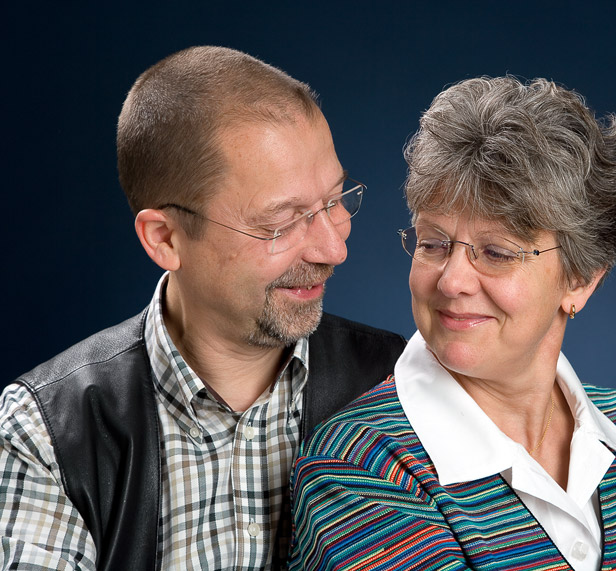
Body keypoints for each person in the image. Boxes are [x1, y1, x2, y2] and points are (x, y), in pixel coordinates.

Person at [289, 77, 616, 570]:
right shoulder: (355, 469)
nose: (452, 281)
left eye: (496, 252)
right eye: (433, 243)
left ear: (579, 279)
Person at [0, 46, 405, 570]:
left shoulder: (402, 383)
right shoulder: (44, 432)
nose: (333, 249)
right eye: (281, 223)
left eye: (333, 200)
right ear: (165, 238)